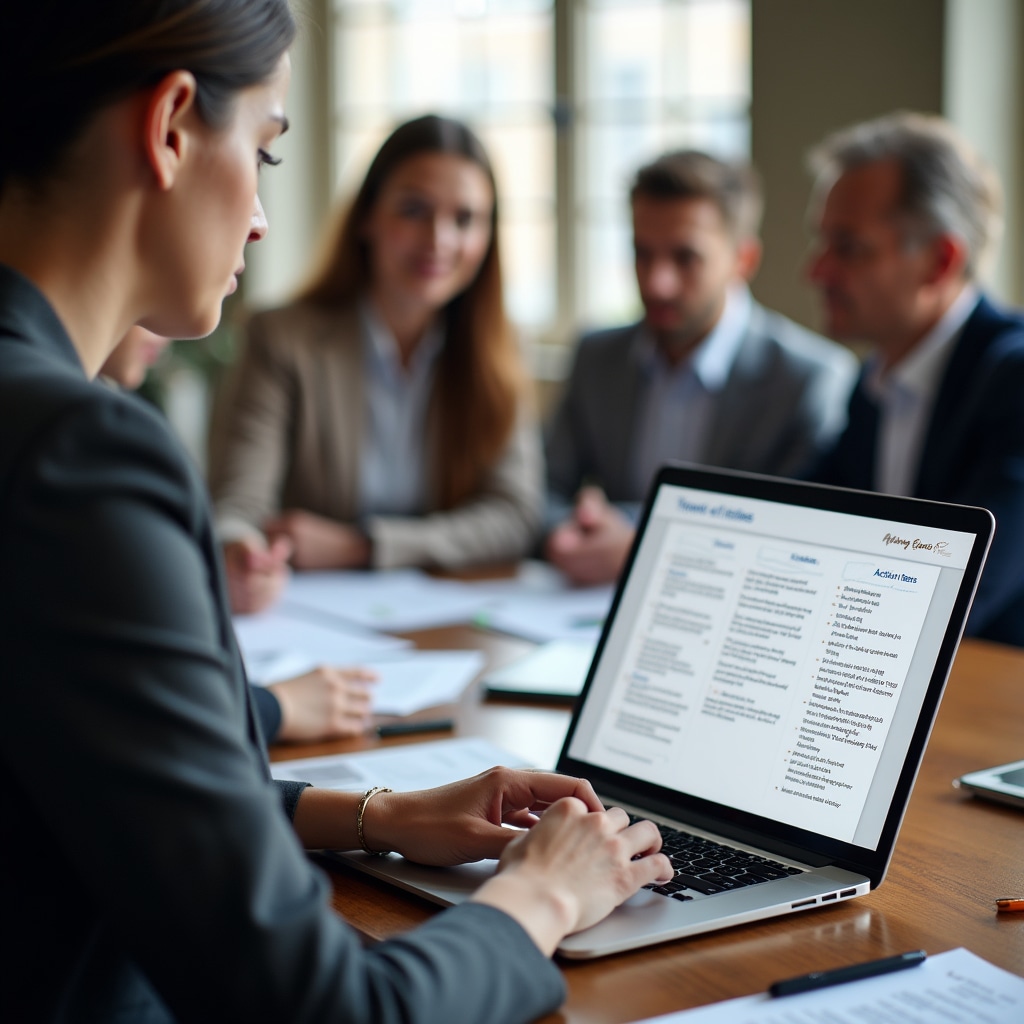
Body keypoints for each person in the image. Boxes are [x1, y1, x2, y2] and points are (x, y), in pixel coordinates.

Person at [0, 4, 673, 1021]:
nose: (262, 217)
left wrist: (382, 812)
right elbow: (324, 1008)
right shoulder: (80, 454)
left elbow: (93, 790)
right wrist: (542, 893)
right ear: (173, 126)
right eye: (267, 152)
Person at [209, 114, 544, 615]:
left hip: (446, 624)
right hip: (312, 624)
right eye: (414, 209)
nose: (439, 240)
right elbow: (238, 505)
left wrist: (362, 546)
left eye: (466, 219)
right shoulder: (282, 338)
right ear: (367, 218)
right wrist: (239, 551)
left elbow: (515, 516)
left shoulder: (498, 347)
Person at [545, 149, 857, 586]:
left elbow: (795, 539)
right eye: (642, 253)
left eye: (685, 257)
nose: (657, 282)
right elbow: (544, 491)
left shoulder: (810, 379)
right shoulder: (597, 356)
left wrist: (643, 547)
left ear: (743, 260)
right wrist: (573, 533)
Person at [805, 112, 1024, 648]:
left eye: (849, 247)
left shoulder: (1016, 377)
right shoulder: (875, 380)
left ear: (940, 260)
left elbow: (961, 592)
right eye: (823, 243)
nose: (817, 271)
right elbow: (807, 515)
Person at [101, 327, 379, 743]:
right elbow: (126, 709)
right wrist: (273, 707)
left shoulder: (103, 412)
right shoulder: (86, 429)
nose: (238, 269)